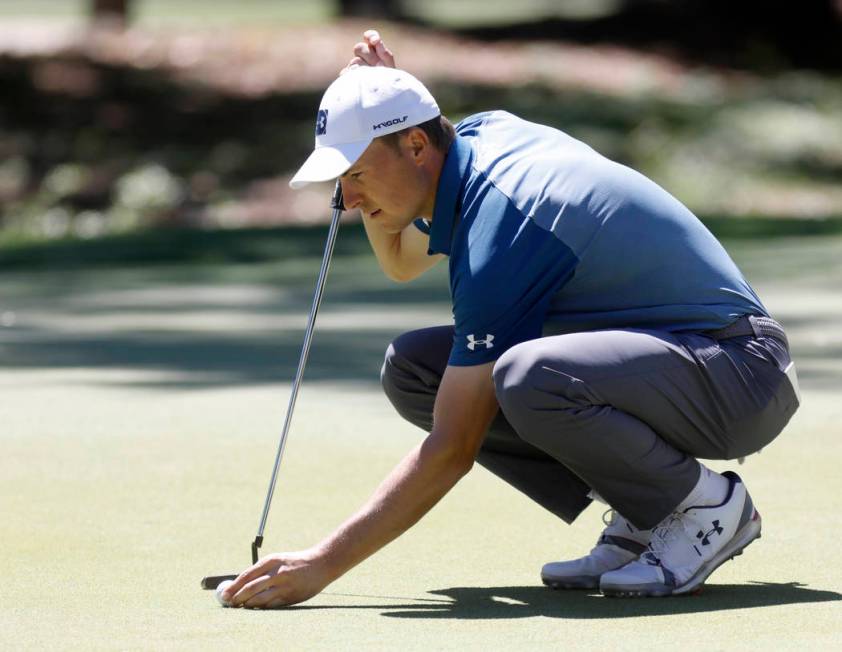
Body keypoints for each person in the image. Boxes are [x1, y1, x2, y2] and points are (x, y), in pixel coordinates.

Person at [220, 30, 800, 608]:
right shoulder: (476, 140)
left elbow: (452, 448)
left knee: (527, 375)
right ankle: (649, 509)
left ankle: (702, 508)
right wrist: (383, 95)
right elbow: (400, 259)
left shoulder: (503, 227)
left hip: (741, 374)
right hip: (682, 366)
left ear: (418, 146)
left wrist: (322, 563)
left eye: (357, 175)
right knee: (415, 369)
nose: (344, 199)